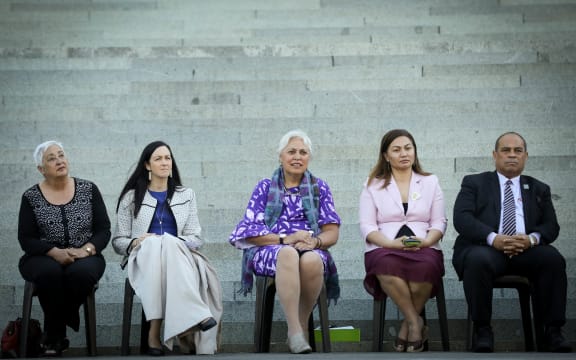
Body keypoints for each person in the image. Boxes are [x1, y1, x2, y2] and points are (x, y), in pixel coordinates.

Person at [452, 132, 571, 353]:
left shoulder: (539, 188)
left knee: (553, 259)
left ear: (526, 156)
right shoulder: (474, 183)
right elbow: (462, 218)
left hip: (526, 250)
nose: (512, 156)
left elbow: (551, 226)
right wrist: (493, 238)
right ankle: (483, 330)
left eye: (518, 151)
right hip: (487, 249)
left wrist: (532, 239)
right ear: (495, 155)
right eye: (506, 150)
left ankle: (552, 331)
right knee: (477, 260)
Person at [229, 129, 341, 354]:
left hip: (308, 246)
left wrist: (315, 242)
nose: (297, 157)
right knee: (287, 253)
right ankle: (295, 331)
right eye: (291, 152)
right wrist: (285, 239)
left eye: (303, 152)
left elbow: (331, 231)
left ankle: (300, 327)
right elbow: (247, 231)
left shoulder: (319, 188)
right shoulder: (264, 187)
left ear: (309, 157)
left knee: (311, 260)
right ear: (280, 156)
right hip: (269, 248)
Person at [111, 141, 222, 356]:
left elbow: (196, 237)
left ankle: (154, 332)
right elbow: (118, 241)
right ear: (147, 165)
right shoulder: (131, 198)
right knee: (154, 244)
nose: (164, 162)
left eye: (168, 158)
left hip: (181, 256)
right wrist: (136, 242)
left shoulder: (186, 194)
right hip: (144, 257)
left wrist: (171, 242)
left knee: (167, 242)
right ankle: (194, 315)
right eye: (158, 158)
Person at [18, 141, 111, 357]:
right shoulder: (30, 197)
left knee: (81, 273)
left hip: (85, 255)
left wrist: (85, 250)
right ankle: (60, 329)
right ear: (41, 169)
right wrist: (54, 252)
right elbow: (26, 239)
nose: (59, 160)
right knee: (49, 273)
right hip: (41, 256)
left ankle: (53, 333)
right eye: (51, 158)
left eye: (61, 155)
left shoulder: (88, 189)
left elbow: (103, 230)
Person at [359, 129, 447, 353]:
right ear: (386, 156)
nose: (403, 154)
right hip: (385, 246)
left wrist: (427, 241)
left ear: (415, 151)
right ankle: (415, 324)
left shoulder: (430, 182)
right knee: (384, 264)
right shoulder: (373, 184)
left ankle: (406, 325)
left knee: (427, 266)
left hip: (423, 245)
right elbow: (367, 227)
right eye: (396, 150)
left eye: (408, 148)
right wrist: (390, 244)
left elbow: (439, 222)